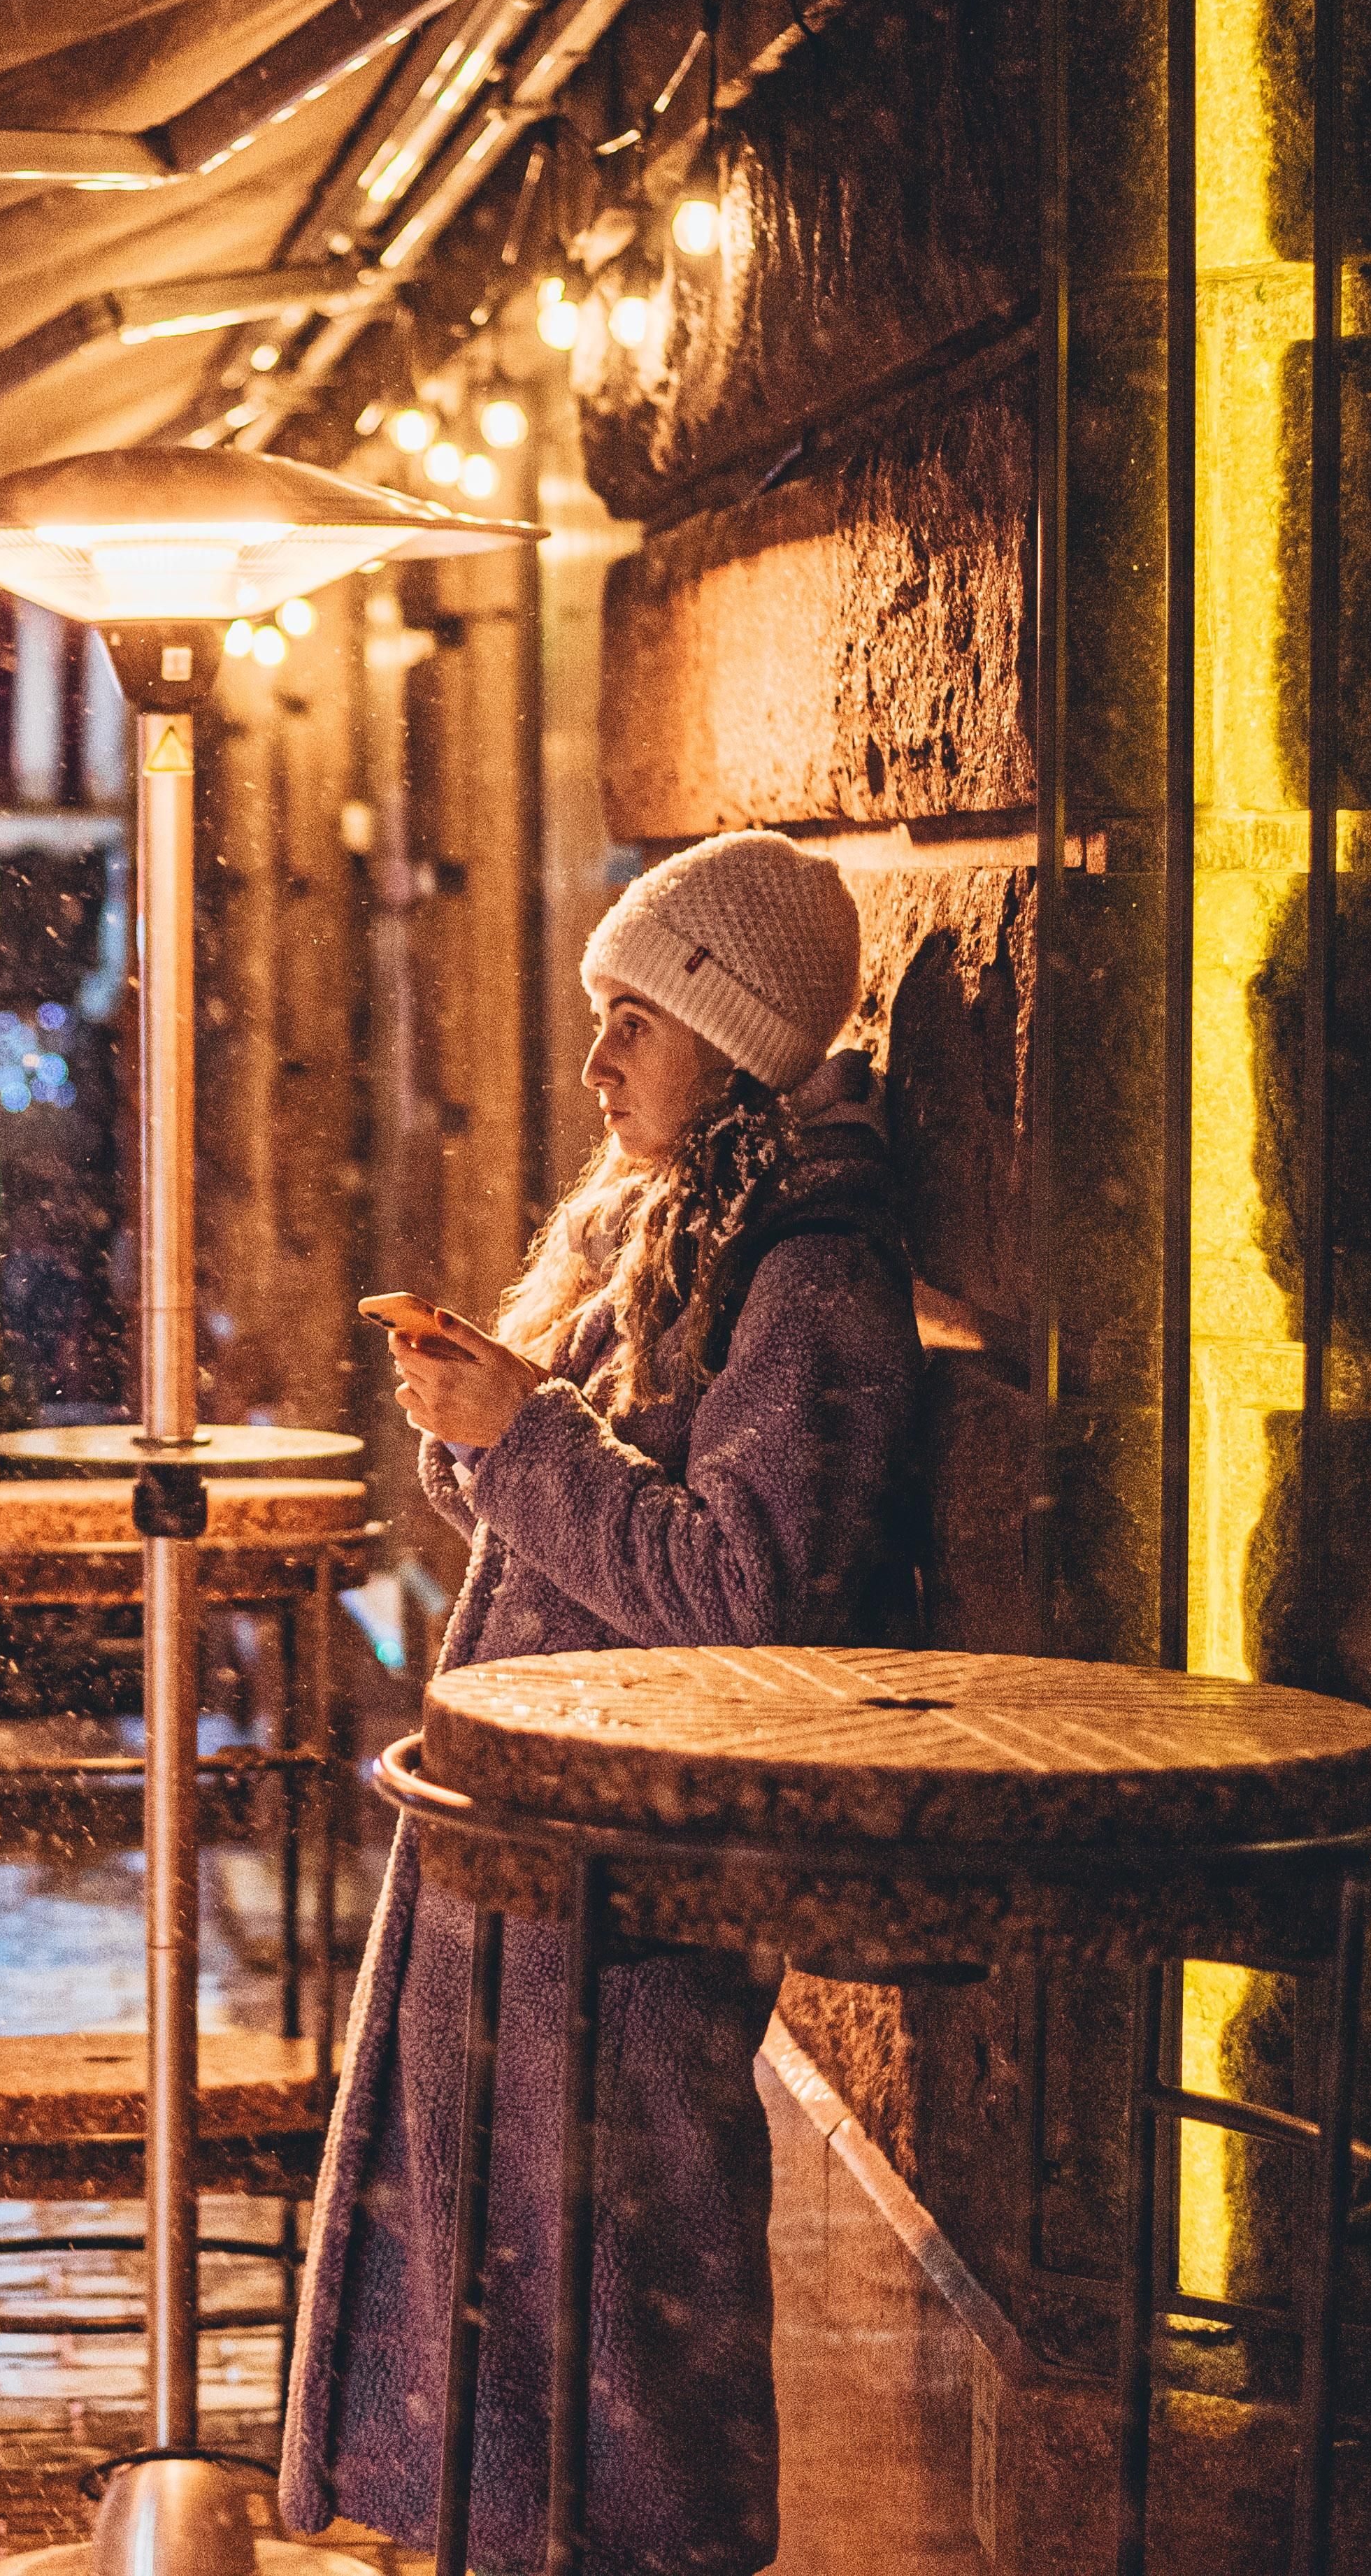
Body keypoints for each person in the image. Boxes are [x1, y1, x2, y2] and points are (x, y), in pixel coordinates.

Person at [279, 831, 923, 2576]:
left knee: (623, 2313)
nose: (596, 1061)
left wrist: (524, 1436)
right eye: (596, 1016)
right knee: (511, 2291)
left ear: (733, 1031)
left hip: (634, 1876)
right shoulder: (669, 1220)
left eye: (633, 1019)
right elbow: (588, 1527)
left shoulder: (809, 1272)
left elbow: (737, 1592)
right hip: (543, 1852)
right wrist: (484, 1424)